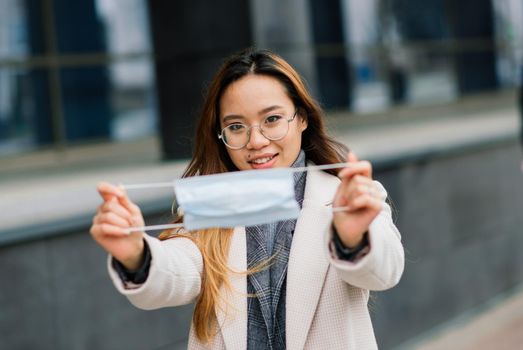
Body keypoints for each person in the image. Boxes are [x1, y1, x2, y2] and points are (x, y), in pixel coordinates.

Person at [90, 48, 404, 349]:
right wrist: (136, 255)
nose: (256, 141)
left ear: (302, 118)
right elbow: (178, 269)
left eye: (272, 120)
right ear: (220, 134)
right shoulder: (213, 202)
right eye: (236, 126)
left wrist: (351, 238)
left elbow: (385, 271)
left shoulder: (346, 198)